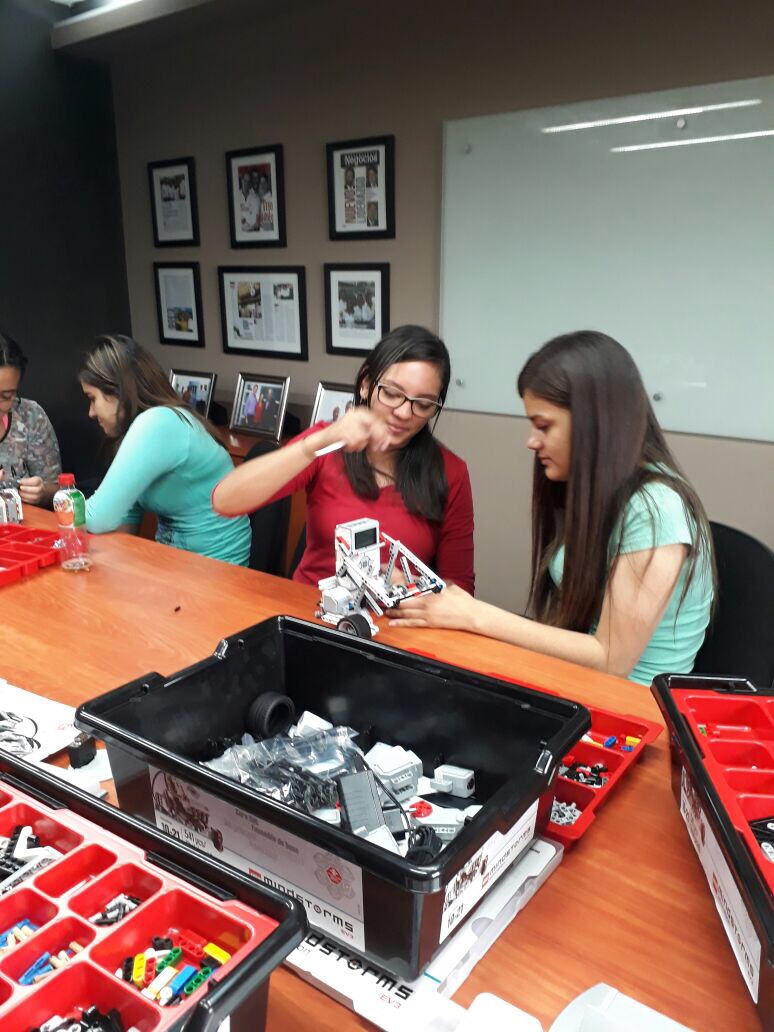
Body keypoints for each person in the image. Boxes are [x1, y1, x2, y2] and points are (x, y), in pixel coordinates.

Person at [390, 331, 715, 685]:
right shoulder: (595, 489)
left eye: (543, 426)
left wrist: (474, 615)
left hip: (633, 709)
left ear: (594, 423)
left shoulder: (658, 508)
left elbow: (611, 660)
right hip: (579, 685)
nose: (532, 441)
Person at [213, 324, 475, 593]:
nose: (404, 413)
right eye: (392, 393)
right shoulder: (327, 446)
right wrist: (319, 441)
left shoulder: (451, 472)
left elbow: (461, 588)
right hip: (313, 613)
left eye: (422, 404)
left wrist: (413, 588)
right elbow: (225, 501)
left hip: (396, 625)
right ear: (365, 384)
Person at [79, 335, 250, 566]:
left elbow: (97, 518)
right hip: (176, 564)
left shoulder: (158, 423)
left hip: (215, 571)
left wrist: (55, 499)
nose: (90, 412)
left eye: (92, 398)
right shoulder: (149, 424)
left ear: (118, 391)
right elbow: (125, 516)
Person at [0, 330, 61, 507]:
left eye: (6, 396)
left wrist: (42, 493)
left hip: (27, 528)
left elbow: (59, 489)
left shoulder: (31, 416)